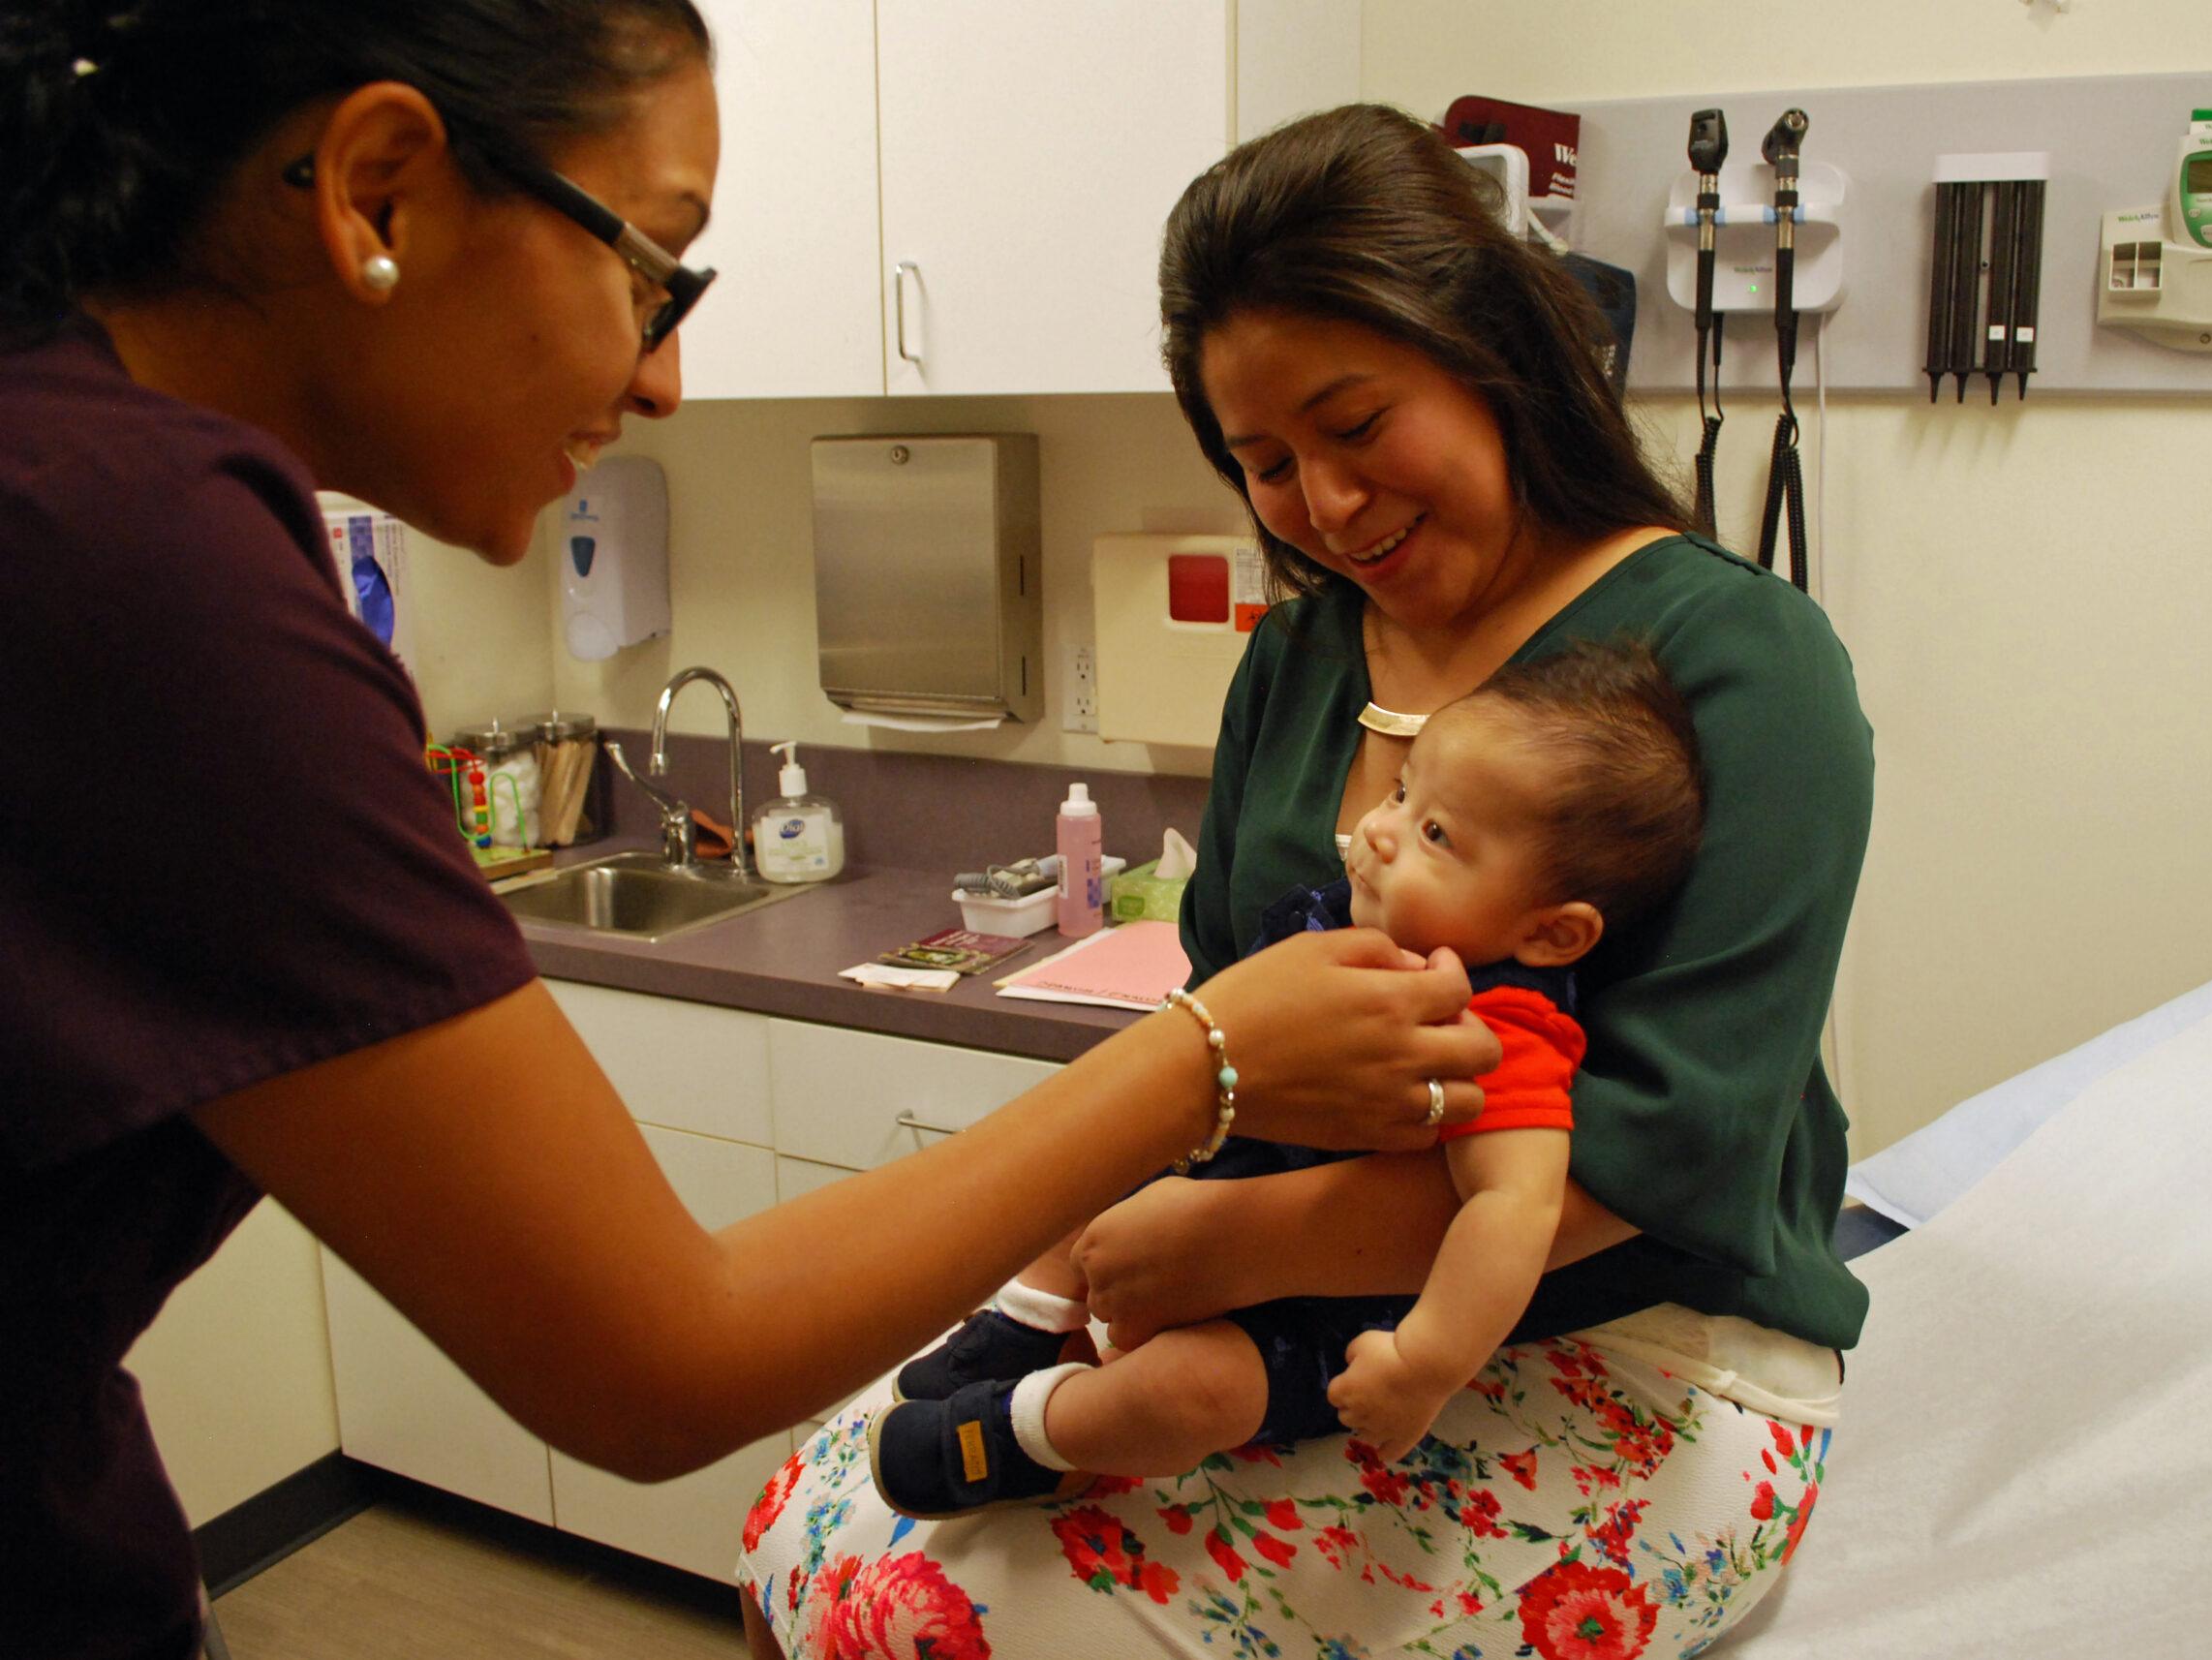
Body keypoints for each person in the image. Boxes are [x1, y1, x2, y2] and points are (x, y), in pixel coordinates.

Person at [0, 16, 1499, 1659]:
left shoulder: (69, 468)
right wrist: (1206, 1054)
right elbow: (656, 1355)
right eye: (658, 271)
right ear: (377, 191)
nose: (664, 376)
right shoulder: (140, 564)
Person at [738, 103, 1874, 1660]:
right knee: (814, 1527)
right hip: (1270, 1302)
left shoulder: (1741, 661)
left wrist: (1219, 1248)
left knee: (943, 1623)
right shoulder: (1301, 654)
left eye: (1356, 426)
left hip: (1636, 1334)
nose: (1326, 507)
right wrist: (1149, 1229)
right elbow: (1223, 1011)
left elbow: (1671, 1151)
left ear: (1488, 354)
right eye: (1266, 462)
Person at [863, 640, 1705, 1521]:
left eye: (1436, 834)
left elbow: (1515, 1210)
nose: (1379, 827)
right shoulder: (1350, 929)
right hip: (1204, 1195)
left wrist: (1424, 1361)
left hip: (1321, 1315)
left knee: (1188, 1395)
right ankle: (1027, 1325)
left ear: (1553, 935)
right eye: (1403, 792)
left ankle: (1028, 1436)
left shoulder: (1501, 1031)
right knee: (1105, 1141)